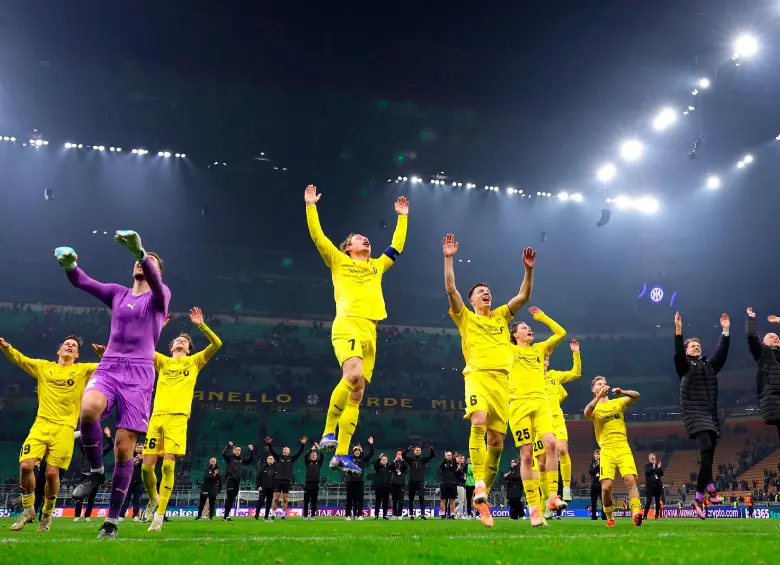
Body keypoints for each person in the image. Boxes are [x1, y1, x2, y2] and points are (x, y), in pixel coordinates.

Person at [56, 232, 170, 540]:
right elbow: (85, 282)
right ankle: (95, 471)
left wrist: (142, 251)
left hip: (140, 375)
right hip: (110, 366)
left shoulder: (160, 298)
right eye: (139, 260)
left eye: (149, 264)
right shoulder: (118, 293)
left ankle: (112, 521)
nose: (141, 264)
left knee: (123, 450)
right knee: (88, 409)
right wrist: (70, 265)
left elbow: (158, 285)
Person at [305, 184, 409, 475]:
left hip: (370, 332)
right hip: (348, 323)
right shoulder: (338, 261)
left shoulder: (376, 266)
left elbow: (396, 247)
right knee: (351, 376)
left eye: (367, 238)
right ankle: (327, 433)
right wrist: (311, 206)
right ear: (348, 247)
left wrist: (402, 217)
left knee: (358, 391)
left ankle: (341, 454)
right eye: (358, 238)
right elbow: (317, 237)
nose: (366, 239)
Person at [442, 232, 535, 528]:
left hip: (502, 384)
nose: (486, 293)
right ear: (471, 300)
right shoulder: (465, 317)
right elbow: (451, 289)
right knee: (477, 420)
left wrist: (528, 270)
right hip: (477, 377)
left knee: (496, 443)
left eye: (487, 290)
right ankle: (478, 484)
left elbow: (523, 297)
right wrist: (448, 258)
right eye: (480, 291)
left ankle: (483, 499)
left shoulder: (500, 317)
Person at [128, 306, 222, 531]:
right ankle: (153, 499)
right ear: (171, 347)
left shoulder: (195, 362)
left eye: (184, 341)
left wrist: (201, 326)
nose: (180, 341)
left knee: (168, 468)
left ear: (189, 349)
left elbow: (217, 344)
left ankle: (159, 516)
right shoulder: (162, 362)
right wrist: (158, 327)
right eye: (177, 340)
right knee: (145, 469)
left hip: (178, 419)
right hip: (157, 418)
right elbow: (143, 345)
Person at [1, 334, 99, 532]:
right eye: (67, 344)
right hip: (41, 425)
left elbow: (108, 369)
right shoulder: (43, 367)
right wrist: (6, 347)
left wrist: (104, 356)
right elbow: (20, 360)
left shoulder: (82, 370)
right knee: (26, 466)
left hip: (64, 429)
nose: (70, 347)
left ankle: (47, 513)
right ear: (59, 351)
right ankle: (28, 509)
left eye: (73, 346)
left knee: (52, 474)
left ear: (77, 354)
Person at [509, 306, 568, 526]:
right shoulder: (510, 350)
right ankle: (533, 508)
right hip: (518, 405)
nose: (529, 329)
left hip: (541, 403)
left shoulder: (540, 349)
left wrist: (543, 317)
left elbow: (561, 333)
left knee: (551, 443)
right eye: (524, 328)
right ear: (515, 335)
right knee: (526, 456)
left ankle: (552, 495)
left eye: (530, 327)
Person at [674, 311, 730, 518]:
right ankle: (704, 493)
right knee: (706, 447)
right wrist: (679, 332)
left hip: (710, 414)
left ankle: (700, 497)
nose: (696, 347)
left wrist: (725, 331)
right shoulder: (685, 366)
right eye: (692, 345)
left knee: (709, 455)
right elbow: (678, 354)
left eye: (698, 345)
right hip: (694, 413)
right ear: (688, 351)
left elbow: (721, 354)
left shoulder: (709, 366)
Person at [584, 376, 643, 528]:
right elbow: (586, 413)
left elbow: (636, 395)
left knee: (630, 480)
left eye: (604, 383)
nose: (603, 385)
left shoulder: (617, 402)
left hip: (622, 446)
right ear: (593, 389)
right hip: (606, 449)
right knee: (606, 487)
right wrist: (598, 397)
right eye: (599, 384)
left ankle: (636, 513)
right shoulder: (595, 408)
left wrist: (622, 391)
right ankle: (610, 516)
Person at [543, 339, 581, 502]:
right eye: (542, 358)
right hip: (539, 420)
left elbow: (575, 373)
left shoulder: (554, 376)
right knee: (542, 462)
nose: (544, 361)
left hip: (556, 419)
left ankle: (565, 489)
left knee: (562, 449)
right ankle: (546, 500)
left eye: (546, 359)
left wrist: (576, 353)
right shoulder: (529, 378)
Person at [747, 309, 780, 439]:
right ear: (764, 343)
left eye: (777, 336)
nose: (776, 337)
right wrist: (751, 317)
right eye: (771, 337)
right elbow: (751, 336)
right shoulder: (762, 353)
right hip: (775, 399)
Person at [73, 427, 115, 522]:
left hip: (95, 476)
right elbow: (80, 444)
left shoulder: (100, 452)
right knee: (80, 496)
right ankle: (77, 516)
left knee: (92, 497)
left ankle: (87, 516)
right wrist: (84, 434)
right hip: (85, 474)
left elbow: (111, 445)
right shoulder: (86, 451)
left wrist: (108, 435)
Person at [265, 436, 306, 519]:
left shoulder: (291, 459)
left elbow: (299, 453)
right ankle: (273, 514)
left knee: (285, 499)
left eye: (286, 450)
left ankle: (283, 515)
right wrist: (269, 444)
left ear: (289, 452)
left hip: (286, 481)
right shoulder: (279, 458)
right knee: (276, 498)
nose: (284, 450)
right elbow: (272, 451)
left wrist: (302, 445)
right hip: (277, 480)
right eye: (284, 449)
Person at [222, 442, 254, 521]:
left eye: (239, 450)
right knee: (230, 498)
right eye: (236, 450)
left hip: (237, 481)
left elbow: (250, 460)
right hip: (230, 480)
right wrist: (228, 446)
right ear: (233, 451)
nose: (237, 451)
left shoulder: (241, 459)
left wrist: (251, 451)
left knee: (232, 498)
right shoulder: (230, 458)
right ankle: (226, 516)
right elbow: (223, 454)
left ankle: (227, 515)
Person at [344, 438, 375, 520]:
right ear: (353, 452)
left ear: (360, 452)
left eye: (358, 451)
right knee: (349, 499)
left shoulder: (363, 460)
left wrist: (371, 444)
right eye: (355, 451)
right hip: (350, 481)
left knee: (360, 499)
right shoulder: (349, 459)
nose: (357, 452)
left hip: (360, 482)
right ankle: (347, 515)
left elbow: (371, 453)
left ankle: (359, 515)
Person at [405, 445, 435, 520]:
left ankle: (422, 515)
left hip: (420, 481)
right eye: (416, 450)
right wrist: (408, 450)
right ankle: (411, 515)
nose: (418, 451)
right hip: (412, 481)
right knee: (411, 499)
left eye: (419, 450)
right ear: (414, 451)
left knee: (421, 498)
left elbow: (432, 456)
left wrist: (431, 450)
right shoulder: (410, 459)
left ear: (421, 451)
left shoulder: (423, 459)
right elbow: (403, 455)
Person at [119, 443, 144, 521]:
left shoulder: (146, 457)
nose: (139, 449)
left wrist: (142, 459)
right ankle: (121, 515)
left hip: (139, 481)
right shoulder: (130, 456)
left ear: (143, 448)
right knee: (126, 499)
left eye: (140, 447)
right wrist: (133, 461)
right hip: (129, 481)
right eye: (137, 447)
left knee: (137, 499)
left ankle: (136, 515)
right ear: (135, 448)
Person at [302, 445, 323, 520]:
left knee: (314, 501)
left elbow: (322, 456)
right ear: (311, 456)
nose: (313, 456)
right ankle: (305, 516)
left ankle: (313, 515)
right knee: (306, 501)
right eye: (312, 455)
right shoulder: (308, 463)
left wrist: (319, 448)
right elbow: (305, 455)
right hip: (308, 484)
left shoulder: (319, 463)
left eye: (315, 455)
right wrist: (312, 449)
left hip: (316, 484)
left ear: (316, 456)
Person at [255, 455, 276, 521]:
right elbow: (258, 477)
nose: (270, 459)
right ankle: (256, 515)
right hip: (263, 488)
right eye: (269, 458)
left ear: (273, 460)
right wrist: (259, 486)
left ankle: (266, 516)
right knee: (260, 501)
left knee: (269, 503)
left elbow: (277, 479)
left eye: (271, 458)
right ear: (267, 460)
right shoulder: (262, 467)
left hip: (271, 488)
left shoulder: (276, 468)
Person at [438, 451, 459, 519]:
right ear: (445, 456)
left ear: (452, 456)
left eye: (450, 455)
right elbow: (441, 466)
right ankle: (443, 514)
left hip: (453, 484)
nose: (449, 456)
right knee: (443, 499)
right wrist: (445, 459)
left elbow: (456, 467)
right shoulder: (443, 463)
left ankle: (452, 515)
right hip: (444, 483)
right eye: (448, 455)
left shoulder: (454, 463)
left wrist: (455, 458)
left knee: (452, 500)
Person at [643, 453, 664, 520]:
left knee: (657, 502)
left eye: (654, 458)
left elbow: (661, 474)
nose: (653, 459)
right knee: (649, 501)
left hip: (657, 486)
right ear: (649, 459)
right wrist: (654, 467)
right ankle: (645, 515)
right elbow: (647, 472)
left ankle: (657, 516)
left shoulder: (657, 466)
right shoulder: (647, 466)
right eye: (652, 458)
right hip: (650, 486)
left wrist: (660, 468)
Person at [373, 453, 392, 520]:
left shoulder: (389, 467)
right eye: (383, 459)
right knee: (378, 501)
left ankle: (385, 515)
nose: (384, 460)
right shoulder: (378, 467)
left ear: (387, 460)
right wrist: (379, 458)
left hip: (386, 488)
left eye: (385, 459)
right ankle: (376, 515)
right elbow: (375, 465)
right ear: (381, 460)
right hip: (379, 487)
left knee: (385, 502)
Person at [390, 449, 408, 519]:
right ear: (396, 454)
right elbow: (390, 468)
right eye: (398, 453)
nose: (399, 455)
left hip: (402, 483)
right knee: (394, 500)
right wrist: (394, 461)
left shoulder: (404, 462)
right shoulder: (394, 461)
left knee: (401, 500)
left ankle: (400, 515)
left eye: (400, 453)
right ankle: (394, 515)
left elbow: (406, 468)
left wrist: (402, 460)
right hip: (394, 482)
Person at [588, 449, 606, 520]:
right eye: (596, 454)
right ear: (594, 455)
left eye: (598, 454)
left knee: (603, 501)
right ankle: (594, 516)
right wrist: (596, 466)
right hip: (594, 484)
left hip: (601, 484)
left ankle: (604, 516)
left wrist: (600, 465)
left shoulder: (603, 463)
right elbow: (591, 472)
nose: (597, 456)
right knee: (594, 501)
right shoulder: (592, 462)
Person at [454, 453, 467, 518]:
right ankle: (461, 514)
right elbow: (456, 476)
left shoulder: (461, 467)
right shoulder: (456, 466)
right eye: (459, 458)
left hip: (462, 484)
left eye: (461, 458)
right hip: (458, 484)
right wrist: (463, 477)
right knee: (461, 500)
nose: (461, 460)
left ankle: (455, 512)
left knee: (463, 500)